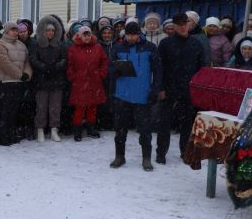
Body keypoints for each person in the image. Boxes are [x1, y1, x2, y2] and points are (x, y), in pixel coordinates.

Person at [109, 21, 162, 171]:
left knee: (145, 130)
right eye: (128, 35)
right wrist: (115, 71)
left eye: (134, 34)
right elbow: (110, 69)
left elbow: (158, 71)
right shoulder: (118, 47)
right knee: (120, 129)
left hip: (143, 95)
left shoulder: (150, 48)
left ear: (139, 34)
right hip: (122, 95)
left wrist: (155, 90)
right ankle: (119, 156)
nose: (131, 38)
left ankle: (146, 158)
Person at [156, 13, 205, 163]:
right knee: (164, 123)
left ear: (189, 25)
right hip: (169, 89)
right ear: (175, 26)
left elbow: (201, 70)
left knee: (187, 124)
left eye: (185, 23)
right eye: (179, 24)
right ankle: (161, 153)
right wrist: (161, 88)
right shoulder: (165, 44)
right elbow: (159, 68)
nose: (183, 27)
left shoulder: (196, 44)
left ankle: (185, 151)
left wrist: (198, 89)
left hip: (188, 90)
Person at [0, 22, 33, 146]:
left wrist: (27, 74)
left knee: (14, 111)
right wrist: (20, 74)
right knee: (4, 111)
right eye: (13, 30)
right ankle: (3, 136)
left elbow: (27, 61)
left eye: (17, 30)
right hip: (4, 82)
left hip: (18, 83)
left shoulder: (21, 45)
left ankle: (12, 134)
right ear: (6, 31)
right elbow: (4, 63)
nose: (16, 32)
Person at [66, 26, 108, 141]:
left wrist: (101, 74)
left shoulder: (98, 47)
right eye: (84, 35)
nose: (87, 37)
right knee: (79, 108)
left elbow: (104, 62)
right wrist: (73, 77)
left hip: (95, 82)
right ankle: (77, 131)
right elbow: (69, 66)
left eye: (88, 34)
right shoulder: (73, 49)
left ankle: (91, 129)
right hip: (79, 83)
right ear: (79, 36)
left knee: (92, 107)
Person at [29, 15, 65, 143]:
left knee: (55, 107)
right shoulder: (37, 44)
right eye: (48, 30)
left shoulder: (59, 45)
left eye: (52, 31)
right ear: (44, 31)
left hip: (56, 80)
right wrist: (44, 67)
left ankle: (54, 129)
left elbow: (64, 58)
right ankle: (40, 130)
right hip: (41, 80)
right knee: (41, 107)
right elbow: (33, 59)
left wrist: (57, 66)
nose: (50, 33)